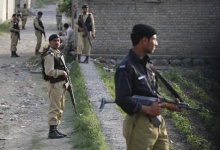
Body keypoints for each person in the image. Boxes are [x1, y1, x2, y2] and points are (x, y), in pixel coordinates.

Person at [115, 24, 180, 150]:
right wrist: (149, 110)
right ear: (144, 40)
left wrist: (168, 103)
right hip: (140, 123)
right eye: (154, 39)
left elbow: (151, 94)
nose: (156, 43)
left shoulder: (148, 64)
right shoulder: (126, 66)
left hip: (158, 122)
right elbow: (122, 99)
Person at [41, 34, 68, 139]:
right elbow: (48, 71)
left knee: (60, 107)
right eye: (54, 41)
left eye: (58, 41)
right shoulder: (50, 55)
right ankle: (52, 131)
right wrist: (62, 72)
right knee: (54, 107)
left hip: (60, 84)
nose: (56, 42)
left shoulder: (58, 53)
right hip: (54, 84)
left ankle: (55, 129)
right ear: (50, 42)